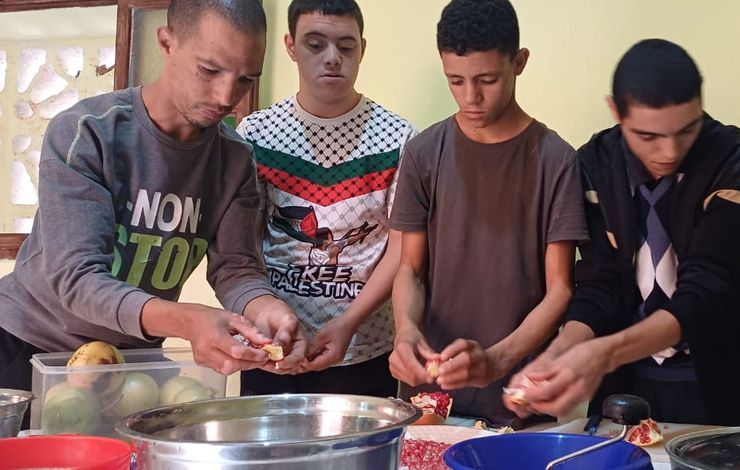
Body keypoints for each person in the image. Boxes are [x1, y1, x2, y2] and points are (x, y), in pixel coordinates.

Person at [0, 0, 308, 410]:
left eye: (246, 80)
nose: (226, 96)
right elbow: (76, 277)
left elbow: (237, 269)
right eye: (210, 70)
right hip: (28, 345)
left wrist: (267, 309)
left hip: (130, 362)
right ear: (167, 43)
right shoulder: (89, 133)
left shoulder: (235, 160)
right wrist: (189, 321)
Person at [504, 39, 740, 426]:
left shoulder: (734, 166)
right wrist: (561, 351)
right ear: (616, 110)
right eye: (648, 137)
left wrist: (601, 354)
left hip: (718, 384)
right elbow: (602, 285)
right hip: (626, 390)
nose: (669, 151)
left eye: (686, 130)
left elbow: (704, 293)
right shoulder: (595, 165)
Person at [387, 0, 588, 429]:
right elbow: (409, 269)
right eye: (455, 81)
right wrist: (405, 331)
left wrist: (497, 361)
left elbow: (560, 290)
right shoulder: (423, 153)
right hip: (431, 395)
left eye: (487, 80)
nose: (470, 97)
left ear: (519, 62)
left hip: (521, 396)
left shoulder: (556, 160)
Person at [236, 0, 414, 397]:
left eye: (346, 47)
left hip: (364, 349)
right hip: (273, 346)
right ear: (291, 46)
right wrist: (265, 317)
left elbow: (401, 249)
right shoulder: (256, 134)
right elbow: (241, 246)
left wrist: (349, 322)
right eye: (315, 45)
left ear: (362, 49)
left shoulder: (400, 138)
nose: (332, 59)